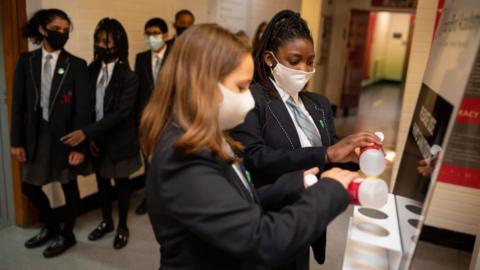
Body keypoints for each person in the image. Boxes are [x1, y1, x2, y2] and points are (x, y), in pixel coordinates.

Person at [140, 23, 358, 270]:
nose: (249, 97)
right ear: (205, 85)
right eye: (241, 87)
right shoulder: (182, 155)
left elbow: (237, 199)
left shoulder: (213, 137)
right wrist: (331, 190)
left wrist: (296, 182)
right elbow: (261, 241)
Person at [231, 10, 382, 269]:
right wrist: (326, 153)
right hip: (270, 219)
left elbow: (331, 156)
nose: (305, 69)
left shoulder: (319, 105)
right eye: (294, 60)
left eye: (310, 61)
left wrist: (354, 157)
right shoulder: (252, 100)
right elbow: (256, 156)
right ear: (270, 59)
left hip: (309, 216)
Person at [10, 8, 90, 258]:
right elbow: (18, 104)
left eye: (66, 30)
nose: (62, 34)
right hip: (36, 135)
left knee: (68, 185)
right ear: (43, 29)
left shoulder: (76, 65)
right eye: (57, 29)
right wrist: (17, 141)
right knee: (29, 187)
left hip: (66, 137)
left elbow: (83, 109)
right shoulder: (26, 62)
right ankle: (51, 227)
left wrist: (80, 146)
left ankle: (67, 235)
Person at [61, 18, 140, 249]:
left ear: (119, 44)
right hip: (97, 141)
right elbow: (85, 106)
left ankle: (123, 225)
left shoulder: (129, 76)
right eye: (98, 40)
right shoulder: (91, 69)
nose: (101, 46)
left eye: (106, 42)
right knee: (102, 184)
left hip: (120, 142)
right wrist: (91, 138)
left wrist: (86, 133)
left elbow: (122, 114)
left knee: (122, 186)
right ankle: (107, 222)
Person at [133, 17, 172, 215]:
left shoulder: (175, 57)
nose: (151, 37)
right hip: (148, 118)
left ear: (165, 35)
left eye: (155, 33)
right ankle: (149, 197)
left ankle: (168, 198)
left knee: (169, 158)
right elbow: (138, 90)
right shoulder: (141, 58)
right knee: (148, 159)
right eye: (148, 34)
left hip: (170, 118)